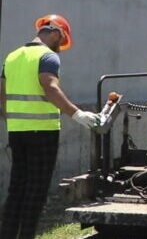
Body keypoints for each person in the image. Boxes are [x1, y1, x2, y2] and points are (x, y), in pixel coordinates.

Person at [0, 14, 101, 239]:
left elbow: (2, 94)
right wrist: (78, 114)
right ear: (55, 32)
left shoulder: (12, 56)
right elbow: (50, 86)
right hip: (42, 132)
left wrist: (12, 121)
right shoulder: (47, 56)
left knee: (17, 189)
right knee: (35, 191)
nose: (61, 48)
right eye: (61, 41)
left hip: (17, 132)